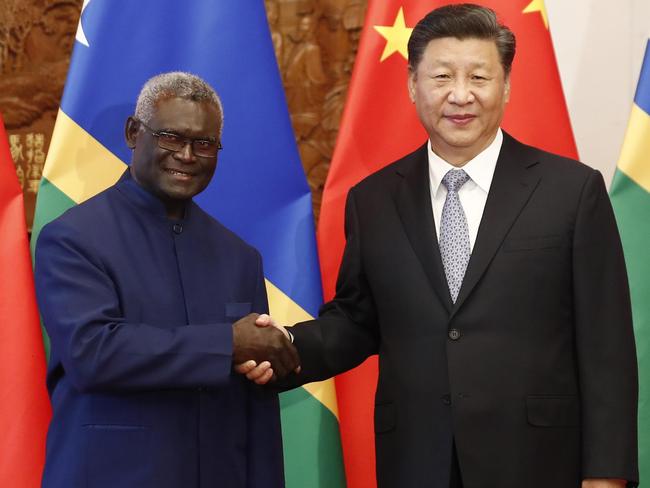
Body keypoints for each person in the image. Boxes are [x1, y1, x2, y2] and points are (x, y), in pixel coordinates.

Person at [240, 4, 639, 488]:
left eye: (479, 76)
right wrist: (286, 347)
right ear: (413, 85)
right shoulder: (373, 200)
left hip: (537, 461)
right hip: (416, 459)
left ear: (506, 85)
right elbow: (358, 320)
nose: (461, 95)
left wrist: (607, 475)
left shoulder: (571, 191)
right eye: (443, 76)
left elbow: (607, 347)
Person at [34, 71, 299, 488]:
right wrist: (228, 343)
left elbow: (255, 404)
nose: (188, 155)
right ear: (133, 133)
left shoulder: (239, 257)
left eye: (205, 143)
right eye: (171, 137)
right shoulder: (73, 239)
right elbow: (94, 353)